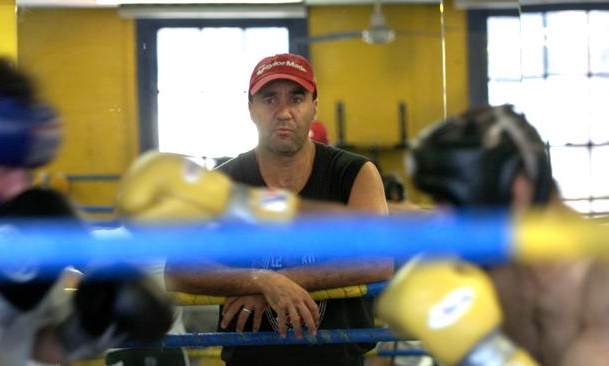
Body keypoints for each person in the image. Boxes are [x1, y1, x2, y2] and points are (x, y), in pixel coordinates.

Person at [0, 55, 174, 365]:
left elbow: (33, 347)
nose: (19, 186)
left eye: (25, 167)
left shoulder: (23, 228)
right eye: (4, 168)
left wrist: (79, 334)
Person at [189, 52, 390, 366]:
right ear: (251, 108)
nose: (283, 112)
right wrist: (261, 281)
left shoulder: (355, 173)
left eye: (296, 98)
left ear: (314, 106)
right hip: (250, 358)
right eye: (269, 99)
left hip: (337, 357)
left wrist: (284, 280)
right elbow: (180, 269)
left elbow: (378, 259)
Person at [380, 104, 607, 365]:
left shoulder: (599, 281)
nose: (441, 220)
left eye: (451, 202)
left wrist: (484, 354)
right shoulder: (493, 266)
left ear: (516, 192)